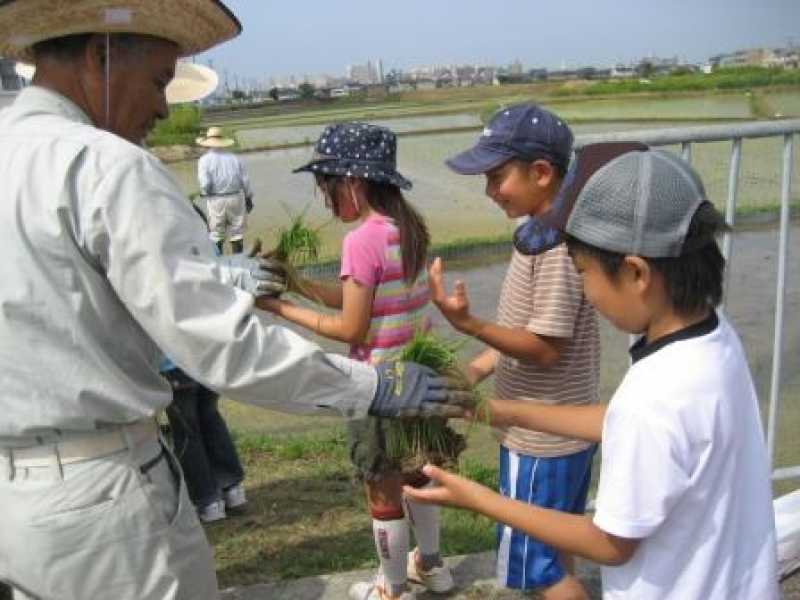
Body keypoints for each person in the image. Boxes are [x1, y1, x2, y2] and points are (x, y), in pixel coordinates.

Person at [0, 4, 468, 600]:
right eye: (159, 81)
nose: (164, 108)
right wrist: (370, 386)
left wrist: (227, 276)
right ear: (101, 56)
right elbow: (222, 345)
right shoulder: (105, 166)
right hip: (102, 498)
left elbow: (71, 290)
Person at [405, 143, 780, 599]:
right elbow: (620, 419)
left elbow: (609, 544)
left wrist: (478, 499)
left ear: (636, 273)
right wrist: (495, 410)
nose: (585, 289)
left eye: (582, 272)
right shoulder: (713, 336)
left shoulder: (657, 394)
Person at [259, 122, 454, 600]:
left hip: (379, 385)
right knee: (419, 472)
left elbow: (351, 328)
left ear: (353, 182)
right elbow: (360, 301)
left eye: (327, 188)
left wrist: (278, 307)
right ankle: (431, 566)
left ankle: (391, 589)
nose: (326, 201)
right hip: (420, 378)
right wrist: (298, 283)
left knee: (383, 488)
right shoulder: (408, 228)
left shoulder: (361, 240)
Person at [429, 103, 599, 599]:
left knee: (538, 567)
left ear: (542, 172)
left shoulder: (553, 247)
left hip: (541, 439)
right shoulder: (544, 233)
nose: (488, 191)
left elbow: (543, 349)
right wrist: (479, 366)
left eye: (497, 176)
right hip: (563, 431)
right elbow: (528, 330)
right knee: (554, 545)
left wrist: (469, 324)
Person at [160, 203, 247, 524]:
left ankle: (208, 501)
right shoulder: (207, 249)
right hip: (210, 351)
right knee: (209, 416)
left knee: (186, 430)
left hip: (174, 358)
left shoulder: (160, 258)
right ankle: (233, 487)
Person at [196, 126, 254, 255]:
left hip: (216, 199)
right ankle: (239, 260)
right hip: (236, 198)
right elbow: (245, 180)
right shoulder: (234, 158)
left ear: (208, 143)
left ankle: (219, 261)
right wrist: (249, 198)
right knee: (237, 233)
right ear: (222, 141)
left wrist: (204, 193)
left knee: (216, 234)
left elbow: (205, 184)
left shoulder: (204, 160)